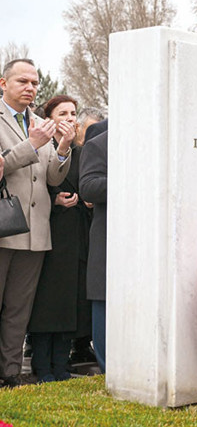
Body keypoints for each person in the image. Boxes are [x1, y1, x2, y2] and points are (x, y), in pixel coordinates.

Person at [0, 59, 73, 388]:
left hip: (35, 233)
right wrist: (33, 144)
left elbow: (53, 178)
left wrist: (62, 148)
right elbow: (4, 165)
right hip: (4, 229)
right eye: (22, 81)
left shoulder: (42, 123)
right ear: (4, 84)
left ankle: (11, 373)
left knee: (19, 311)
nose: (30, 88)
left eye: (35, 82)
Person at [26, 96, 92, 383]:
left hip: (74, 235)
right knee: (45, 302)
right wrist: (55, 200)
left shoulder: (83, 152)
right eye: (62, 113)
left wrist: (84, 200)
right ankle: (41, 364)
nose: (69, 118)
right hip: (46, 232)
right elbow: (34, 184)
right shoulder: (41, 148)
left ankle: (61, 363)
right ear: (48, 118)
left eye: (73, 113)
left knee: (68, 301)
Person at [79, 128, 108, 372]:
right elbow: (88, 186)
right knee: (105, 300)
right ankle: (108, 366)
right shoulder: (98, 144)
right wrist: (130, 180)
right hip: (109, 238)